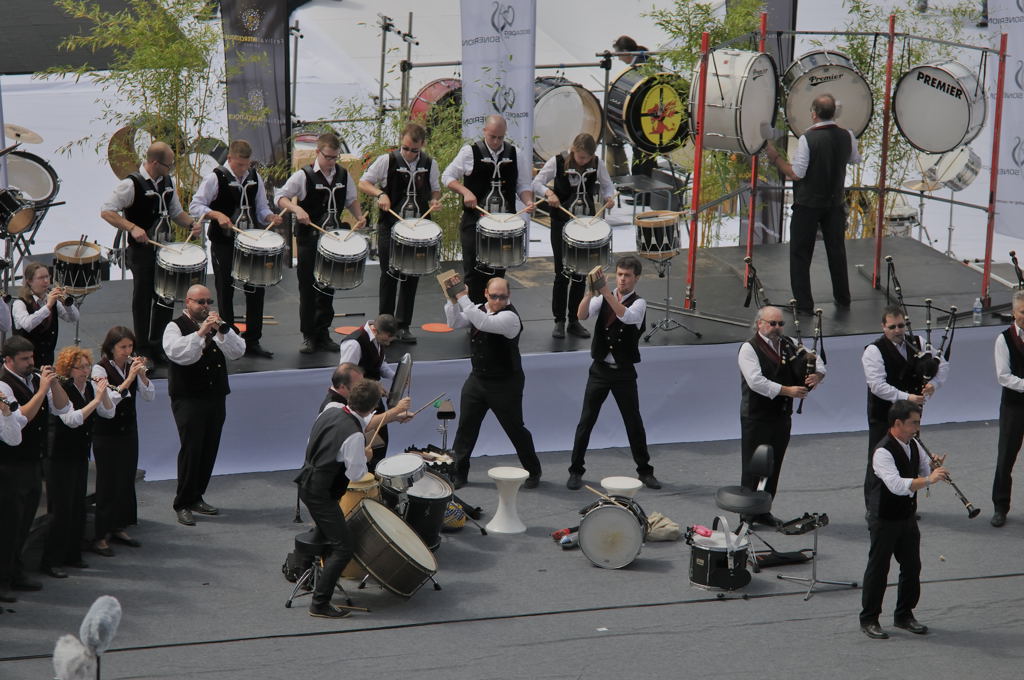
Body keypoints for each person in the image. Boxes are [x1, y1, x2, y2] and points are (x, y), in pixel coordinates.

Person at [100, 141, 202, 359]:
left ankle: (159, 344)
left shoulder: (166, 181)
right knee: (143, 299)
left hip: (164, 249)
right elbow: (107, 211)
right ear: (155, 162)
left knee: (166, 297)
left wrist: (191, 224)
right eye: (168, 165)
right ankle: (143, 348)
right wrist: (132, 227)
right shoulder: (130, 185)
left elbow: (176, 212)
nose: (170, 169)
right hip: (141, 251)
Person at [567, 256, 660, 490]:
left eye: (627, 276)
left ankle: (645, 471)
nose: (622, 279)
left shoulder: (639, 303)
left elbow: (626, 317)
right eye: (619, 274)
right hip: (600, 370)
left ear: (636, 278)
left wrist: (607, 293)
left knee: (633, 423)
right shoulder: (603, 298)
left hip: (624, 372)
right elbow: (581, 316)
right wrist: (590, 292)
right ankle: (575, 470)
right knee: (586, 421)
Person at [764, 94, 861, 314]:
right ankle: (843, 298)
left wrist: (776, 158)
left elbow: (797, 173)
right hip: (835, 202)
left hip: (808, 204)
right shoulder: (847, 135)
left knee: (800, 253)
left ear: (814, 113)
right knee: (836, 250)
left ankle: (805, 303)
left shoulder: (808, 138)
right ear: (834, 113)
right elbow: (856, 159)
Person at [860, 400, 947, 639]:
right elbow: (898, 485)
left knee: (911, 566)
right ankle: (869, 618)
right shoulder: (882, 452)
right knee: (879, 569)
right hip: (884, 518)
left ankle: (904, 614)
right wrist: (930, 480)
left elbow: (918, 469)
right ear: (898, 423)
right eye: (914, 423)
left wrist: (931, 467)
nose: (918, 427)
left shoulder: (914, 444)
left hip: (906, 516)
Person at [444, 275, 542, 489]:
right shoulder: (478, 308)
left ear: (509, 296)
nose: (498, 301)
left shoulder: (510, 318)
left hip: (505, 383)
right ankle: (459, 472)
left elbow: (484, 322)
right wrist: (453, 301)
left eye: (503, 297)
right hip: (478, 379)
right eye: (494, 296)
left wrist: (462, 296)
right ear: (486, 294)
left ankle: (533, 470)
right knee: (466, 427)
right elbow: (454, 322)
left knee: (515, 428)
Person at [295, 377, 380, 618]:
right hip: (322, 492)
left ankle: (305, 573)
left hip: (307, 482)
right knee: (344, 547)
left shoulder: (331, 409)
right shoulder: (354, 436)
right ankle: (320, 604)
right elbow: (357, 474)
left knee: (327, 530)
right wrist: (367, 454)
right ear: (373, 409)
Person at [189, 139, 283, 359]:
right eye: (239, 165)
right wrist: (216, 214)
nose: (243, 170)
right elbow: (196, 206)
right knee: (225, 290)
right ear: (230, 159)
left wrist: (269, 216)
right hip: (224, 241)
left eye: (246, 165)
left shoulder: (254, 177)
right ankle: (228, 339)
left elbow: (261, 208)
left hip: (249, 242)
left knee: (256, 288)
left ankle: (253, 340)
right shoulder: (216, 177)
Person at [275, 133, 366, 354]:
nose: (332, 162)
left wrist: (359, 216)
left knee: (327, 287)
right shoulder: (303, 175)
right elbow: (280, 197)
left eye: (335, 158)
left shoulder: (343, 175)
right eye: (328, 157)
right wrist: (297, 209)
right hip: (309, 239)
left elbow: (351, 199)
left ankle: (323, 333)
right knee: (308, 288)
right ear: (318, 153)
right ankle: (308, 335)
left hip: (333, 240)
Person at [162, 284, 245, 527]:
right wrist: (201, 333)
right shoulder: (174, 327)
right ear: (187, 302)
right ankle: (182, 503)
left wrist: (222, 332)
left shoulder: (217, 327)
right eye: (200, 302)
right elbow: (178, 354)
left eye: (208, 302)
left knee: (209, 447)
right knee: (192, 449)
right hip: (189, 397)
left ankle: (197, 496)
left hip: (215, 395)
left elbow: (238, 352)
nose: (205, 306)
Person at [738, 305, 825, 525]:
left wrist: (817, 375)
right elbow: (756, 382)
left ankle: (764, 510)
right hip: (756, 416)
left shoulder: (789, 344)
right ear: (760, 324)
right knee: (753, 465)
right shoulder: (749, 348)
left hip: (781, 415)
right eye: (772, 323)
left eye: (780, 324)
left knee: (773, 465)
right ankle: (747, 513)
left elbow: (817, 361)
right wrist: (788, 391)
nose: (777, 328)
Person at [358, 122, 441, 344]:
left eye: (414, 150)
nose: (409, 154)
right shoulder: (388, 160)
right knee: (389, 275)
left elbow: (435, 189)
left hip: (417, 229)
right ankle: (384, 326)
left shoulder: (430, 163)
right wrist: (379, 194)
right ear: (400, 142)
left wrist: (434, 200)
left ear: (422, 145)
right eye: (405, 148)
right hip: (391, 227)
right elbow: (363, 182)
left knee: (411, 276)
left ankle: (403, 325)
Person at [0, 336, 70, 600]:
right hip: (9, 466)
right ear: (8, 360)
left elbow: (63, 408)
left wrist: (52, 385)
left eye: (32, 358)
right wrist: (41, 391)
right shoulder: (3, 386)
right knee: (8, 525)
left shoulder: (32, 380)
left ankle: (16, 571)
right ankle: (2, 579)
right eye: (25, 359)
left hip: (32, 462)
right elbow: (20, 420)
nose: (31, 363)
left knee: (25, 521)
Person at [442, 114, 535, 303]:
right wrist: (465, 192)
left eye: (500, 137)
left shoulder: (515, 153)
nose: (496, 141)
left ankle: (493, 316)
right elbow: (447, 177)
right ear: (485, 131)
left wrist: (528, 202)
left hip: (503, 226)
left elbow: (523, 185)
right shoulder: (470, 152)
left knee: (498, 275)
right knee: (473, 274)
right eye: (492, 136)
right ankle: (475, 321)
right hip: (474, 222)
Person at [533, 133, 616, 339]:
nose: (583, 161)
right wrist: (548, 193)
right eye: (580, 157)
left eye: (586, 158)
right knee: (562, 273)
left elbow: (607, 185)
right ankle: (559, 321)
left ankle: (574, 320)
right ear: (573, 150)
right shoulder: (558, 161)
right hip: (561, 222)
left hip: (584, 224)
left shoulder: (597, 163)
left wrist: (608, 196)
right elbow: (537, 182)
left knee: (580, 274)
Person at [862, 305, 948, 503]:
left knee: (910, 456)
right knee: (878, 460)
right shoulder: (874, 350)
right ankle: (873, 505)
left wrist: (933, 384)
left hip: (911, 416)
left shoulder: (917, 342)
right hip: (882, 415)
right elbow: (877, 385)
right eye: (892, 327)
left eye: (901, 325)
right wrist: (907, 397)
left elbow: (942, 364)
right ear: (883, 327)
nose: (898, 330)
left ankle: (907, 503)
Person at [41, 346, 114, 578]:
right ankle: (51, 560)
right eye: (80, 367)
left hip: (80, 454)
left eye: (87, 366)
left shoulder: (91, 387)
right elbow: (73, 419)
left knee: (77, 506)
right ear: (68, 370)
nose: (85, 371)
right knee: (60, 509)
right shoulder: (59, 389)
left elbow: (108, 413)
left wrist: (105, 394)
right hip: (59, 456)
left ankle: (73, 554)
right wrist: (97, 400)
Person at [91, 326, 154, 555]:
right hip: (106, 434)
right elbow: (109, 399)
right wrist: (129, 379)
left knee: (126, 479)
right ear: (111, 347)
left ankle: (118, 526)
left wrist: (142, 375)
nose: (127, 351)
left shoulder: (131, 367)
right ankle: (100, 535)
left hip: (128, 431)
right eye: (123, 347)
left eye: (130, 346)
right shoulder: (100, 368)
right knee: (107, 482)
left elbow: (149, 396)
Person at [338, 315, 404, 469]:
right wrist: (373, 384)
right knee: (365, 445)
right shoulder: (354, 343)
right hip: (358, 402)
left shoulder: (377, 339)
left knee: (380, 443)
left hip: (371, 397)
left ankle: (375, 478)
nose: (388, 343)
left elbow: (380, 365)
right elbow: (345, 376)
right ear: (376, 330)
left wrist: (398, 377)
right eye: (387, 339)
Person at [319, 362, 413, 459]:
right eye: (357, 385)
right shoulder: (333, 407)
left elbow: (364, 420)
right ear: (342, 386)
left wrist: (394, 417)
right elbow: (364, 424)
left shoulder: (343, 399)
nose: (362, 389)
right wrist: (397, 410)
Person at [991, 289, 1024, 527]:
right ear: (1013, 312)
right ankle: (1000, 507)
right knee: (1006, 458)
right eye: (1023, 311)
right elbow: (1004, 376)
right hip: (1014, 407)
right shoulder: (1004, 339)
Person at [12, 262, 80, 367]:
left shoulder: (53, 302)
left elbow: (74, 318)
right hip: (23, 365)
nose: (46, 281)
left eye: (47, 277)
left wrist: (66, 304)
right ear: (29, 281)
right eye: (40, 278)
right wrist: (48, 306)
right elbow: (27, 324)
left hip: (47, 363)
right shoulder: (19, 303)